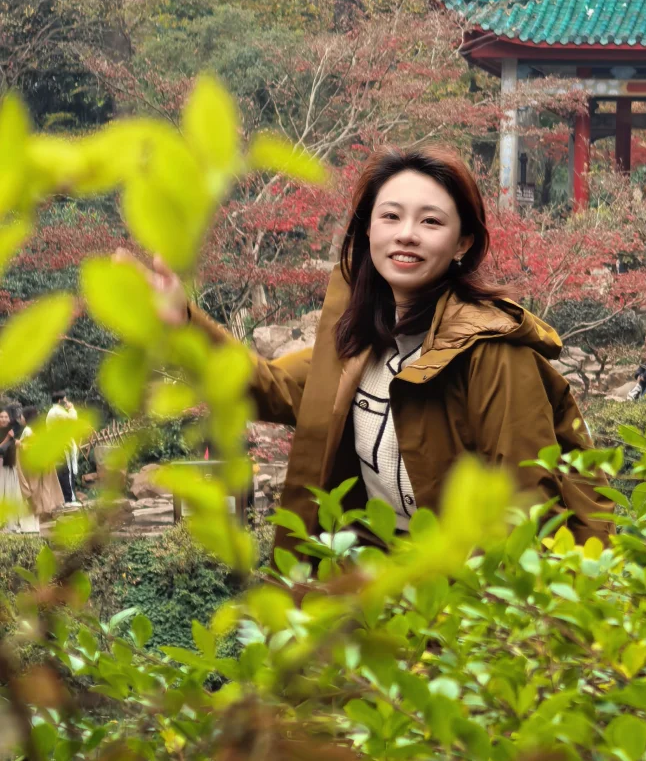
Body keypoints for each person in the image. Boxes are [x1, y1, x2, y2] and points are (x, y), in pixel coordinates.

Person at [125, 147, 613, 551]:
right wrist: (184, 323)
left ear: (463, 242)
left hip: (465, 595)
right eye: (391, 216)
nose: (406, 234)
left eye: (430, 221)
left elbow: (527, 505)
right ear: (368, 230)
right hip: (379, 580)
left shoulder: (493, 352)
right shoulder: (360, 345)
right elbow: (268, 386)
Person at [18, 405, 65, 521]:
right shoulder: (40, 428)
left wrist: (19, 445)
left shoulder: (27, 430)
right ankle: (47, 509)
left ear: (26, 417)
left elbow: (27, 447)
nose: (20, 418)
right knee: (45, 485)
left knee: (34, 487)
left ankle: (38, 512)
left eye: (22, 416)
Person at [0, 405, 37, 533]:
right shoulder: (8, 434)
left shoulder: (14, 430)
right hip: (2, 469)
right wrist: (8, 438)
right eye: (1, 417)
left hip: (12, 468)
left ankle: (12, 524)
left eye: (6, 417)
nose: (4, 419)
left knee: (12, 496)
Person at [47, 392, 79, 505]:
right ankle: (69, 499)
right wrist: (72, 409)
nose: (67, 402)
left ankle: (65, 498)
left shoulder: (52, 412)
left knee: (61, 472)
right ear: (60, 401)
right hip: (63, 447)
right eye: (65, 400)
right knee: (66, 472)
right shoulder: (58, 412)